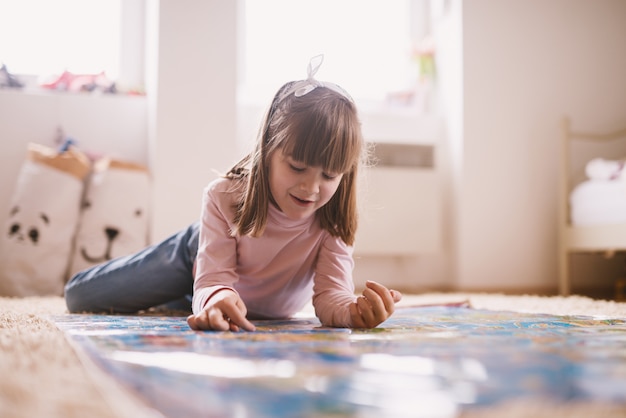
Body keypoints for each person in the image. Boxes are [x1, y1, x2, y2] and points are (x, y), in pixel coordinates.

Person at [65, 56, 402, 331]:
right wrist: (212, 294)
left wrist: (354, 313)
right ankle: (194, 293)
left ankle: (191, 297)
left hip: (229, 287)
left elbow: (331, 298)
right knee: (81, 296)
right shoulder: (224, 196)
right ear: (268, 150)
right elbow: (214, 276)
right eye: (297, 167)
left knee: (187, 303)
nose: (311, 188)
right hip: (196, 255)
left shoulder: (333, 219)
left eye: (329, 175)